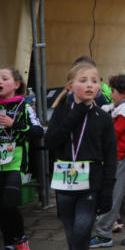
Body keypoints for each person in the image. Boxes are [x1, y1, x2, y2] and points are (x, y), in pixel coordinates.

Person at [46, 63, 117, 250]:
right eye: (83, 80)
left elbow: (111, 156)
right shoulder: (61, 111)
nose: (89, 85)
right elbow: (51, 141)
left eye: (94, 81)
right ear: (70, 86)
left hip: (91, 183)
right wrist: (76, 112)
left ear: (99, 87)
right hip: (64, 181)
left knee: (82, 228)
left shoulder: (103, 117)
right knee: (72, 234)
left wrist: (108, 190)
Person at [90, 75, 125, 248]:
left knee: (113, 196)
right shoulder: (118, 108)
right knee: (122, 197)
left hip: (121, 158)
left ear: (123, 94)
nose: (111, 94)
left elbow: (113, 134)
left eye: (113, 91)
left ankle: (103, 234)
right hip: (117, 158)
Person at [0, 66, 43, 250]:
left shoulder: (24, 107)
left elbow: (38, 131)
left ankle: (20, 237)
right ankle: (9, 242)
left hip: (15, 163)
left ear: (16, 84)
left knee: (9, 204)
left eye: (4, 78)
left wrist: (14, 124)